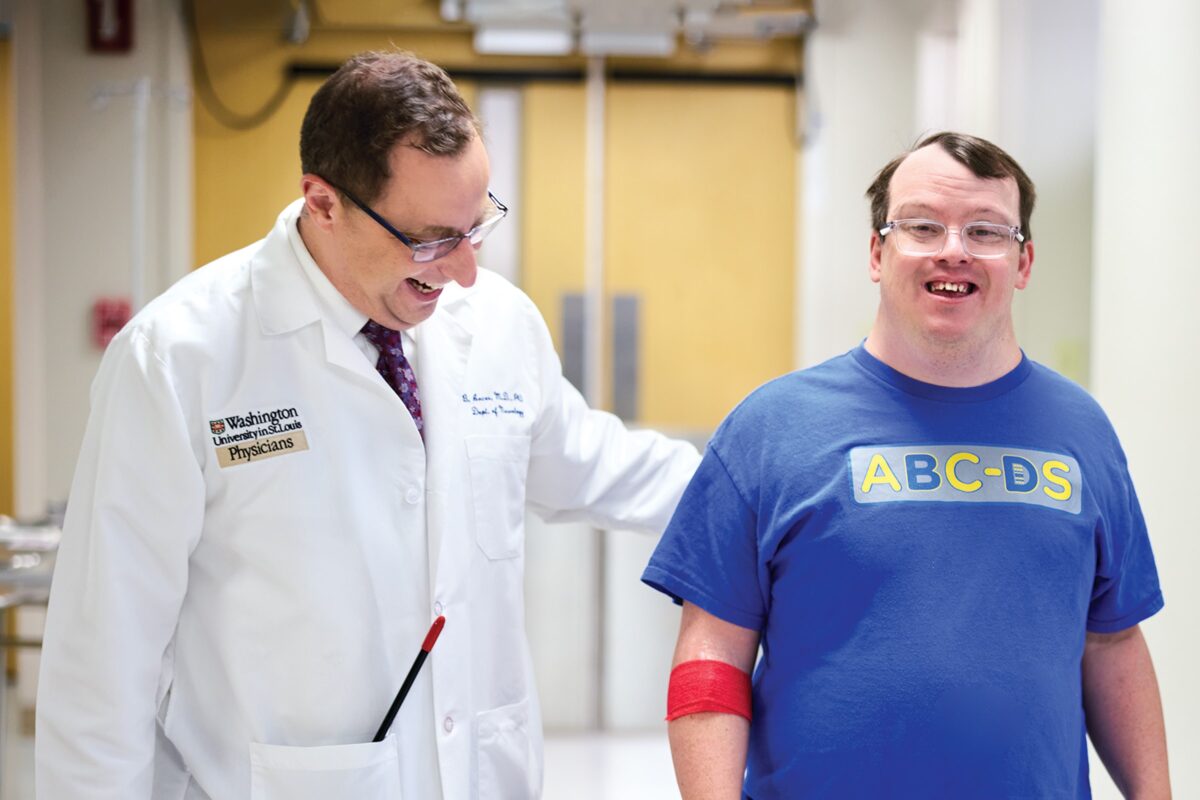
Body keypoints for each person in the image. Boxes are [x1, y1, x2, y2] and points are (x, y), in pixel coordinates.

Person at [36, 51, 699, 799]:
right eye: (429, 240)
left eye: (474, 227)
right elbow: (102, 662)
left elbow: (593, 464)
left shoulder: (499, 325)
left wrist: (768, 488)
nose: (464, 273)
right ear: (323, 202)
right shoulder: (179, 359)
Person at [642, 132, 1169, 799]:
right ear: (876, 251)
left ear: (1023, 261)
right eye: (923, 226)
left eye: (985, 230)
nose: (954, 249)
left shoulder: (1081, 430)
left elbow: (1113, 644)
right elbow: (712, 652)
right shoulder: (771, 428)